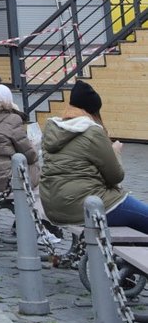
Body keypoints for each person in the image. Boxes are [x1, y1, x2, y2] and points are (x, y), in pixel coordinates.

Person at [40, 80, 148, 234]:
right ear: (93, 111)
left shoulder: (53, 129)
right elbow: (116, 176)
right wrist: (115, 151)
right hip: (87, 205)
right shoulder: (92, 132)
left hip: (54, 207)